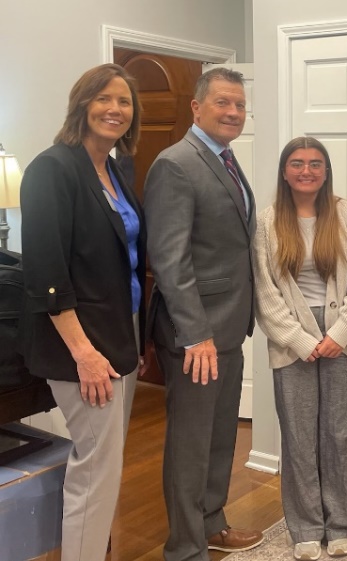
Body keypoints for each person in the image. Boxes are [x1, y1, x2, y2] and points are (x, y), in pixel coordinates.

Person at [19, 63, 145, 561]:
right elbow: (46, 273)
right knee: (95, 471)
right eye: (104, 98)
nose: (115, 109)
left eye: (124, 101)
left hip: (119, 334)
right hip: (82, 345)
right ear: (82, 104)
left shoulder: (115, 169)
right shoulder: (52, 169)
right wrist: (84, 354)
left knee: (104, 467)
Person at [143, 67, 263, 559]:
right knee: (191, 443)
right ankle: (185, 547)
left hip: (230, 326)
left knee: (219, 436)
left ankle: (212, 524)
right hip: (196, 335)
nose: (233, 112)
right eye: (222, 102)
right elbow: (170, 260)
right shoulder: (175, 164)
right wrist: (196, 334)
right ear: (196, 107)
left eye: (240, 104)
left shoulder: (226, 159)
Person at [253, 137, 347, 561]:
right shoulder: (267, 221)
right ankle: (304, 527)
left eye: (316, 164)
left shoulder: (345, 213)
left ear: (326, 171)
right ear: (285, 172)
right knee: (300, 436)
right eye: (298, 163)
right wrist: (300, 339)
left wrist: (339, 332)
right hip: (292, 341)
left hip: (345, 338)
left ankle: (340, 525)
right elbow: (265, 290)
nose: (307, 171)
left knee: (343, 433)